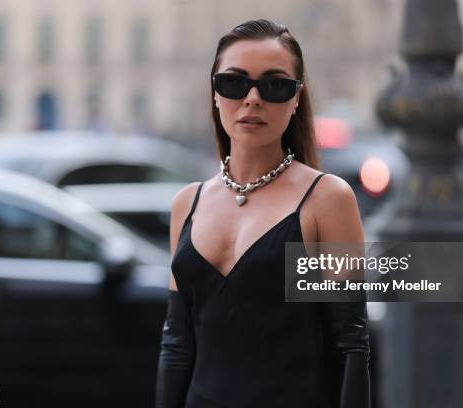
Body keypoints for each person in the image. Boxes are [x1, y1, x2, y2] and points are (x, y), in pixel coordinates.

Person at [156, 19, 370, 408]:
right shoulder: (187, 203)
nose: (252, 98)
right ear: (215, 93)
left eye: (274, 85)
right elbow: (176, 346)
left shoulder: (327, 199)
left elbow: (351, 348)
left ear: (296, 99)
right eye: (234, 83)